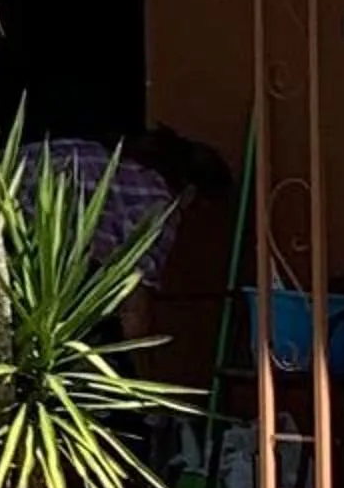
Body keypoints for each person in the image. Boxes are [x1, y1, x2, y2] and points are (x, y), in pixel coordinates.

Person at [21, 125, 236, 343]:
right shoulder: (159, 204)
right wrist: (140, 348)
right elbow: (136, 293)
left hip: (11, 189)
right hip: (29, 223)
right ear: (190, 193)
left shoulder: (118, 165)